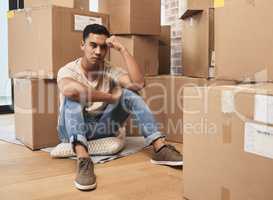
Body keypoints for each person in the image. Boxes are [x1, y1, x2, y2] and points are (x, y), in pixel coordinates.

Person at [57, 24, 183, 191]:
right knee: (72, 98)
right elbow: (70, 90)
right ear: (83, 45)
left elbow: (138, 84)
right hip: (71, 130)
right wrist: (109, 97)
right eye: (93, 45)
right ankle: (83, 160)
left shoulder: (109, 69)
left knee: (129, 94)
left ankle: (159, 146)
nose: (98, 51)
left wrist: (123, 49)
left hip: (101, 127)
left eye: (103, 47)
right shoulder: (68, 70)